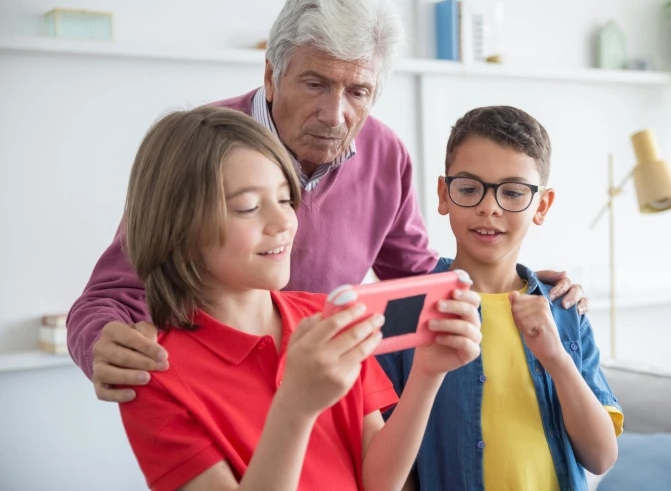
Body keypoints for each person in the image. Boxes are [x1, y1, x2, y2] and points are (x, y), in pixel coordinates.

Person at [66, 0, 589, 403]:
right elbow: (109, 297)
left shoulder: (386, 153)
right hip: (216, 400)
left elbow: (414, 279)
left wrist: (503, 280)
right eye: (315, 83)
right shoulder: (198, 146)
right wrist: (101, 345)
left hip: (329, 397)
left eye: (357, 90)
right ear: (272, 75)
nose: (335, 114)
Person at [119, 105, 483, 490]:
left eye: (284, 199)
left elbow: (380, 482)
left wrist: (428, 373)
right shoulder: (153, 372)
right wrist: (296, 406)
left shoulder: (326, 317)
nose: (282, 224)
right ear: (179, 225)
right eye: (248, 207)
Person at [378, 106, 623, 491]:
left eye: (512, 191)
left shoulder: (565, 311)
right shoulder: (406, 309)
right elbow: (385, 461)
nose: (489, 207)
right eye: (469, 188)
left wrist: (556, 359)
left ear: (541, 205)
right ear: (444, 195)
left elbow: (601, 456)